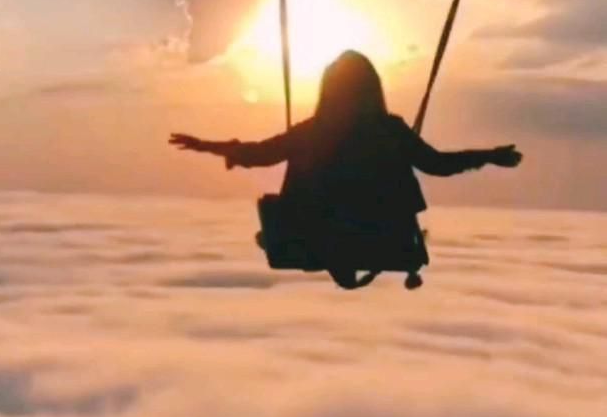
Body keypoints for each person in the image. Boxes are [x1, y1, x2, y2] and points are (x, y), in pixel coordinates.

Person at [169, 50, 522, 286]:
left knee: (277, 207)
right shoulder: (391, 130)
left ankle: (289, 236)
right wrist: (488, 156)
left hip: (314, 238)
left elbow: (260, 154)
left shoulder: (314, 131)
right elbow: (438, 165)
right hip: (385, 239)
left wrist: (207, 146)